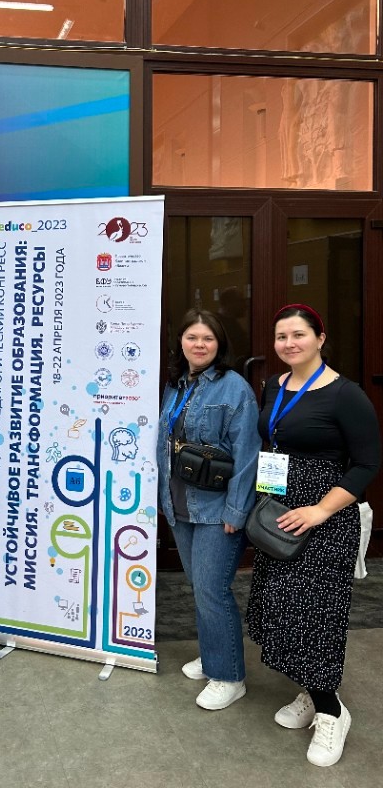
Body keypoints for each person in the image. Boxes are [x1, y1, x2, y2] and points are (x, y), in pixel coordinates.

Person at [247, 304, 380, 767]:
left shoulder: (346, 395)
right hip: (279, 513)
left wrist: (320, 510)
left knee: (317, 616)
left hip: (323, 519)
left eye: (298, 334)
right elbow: (274, 445)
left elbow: (367, 463)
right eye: (281, 336)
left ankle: (331, 712)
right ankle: (310, 689)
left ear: (320, 338)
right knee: (283, 609)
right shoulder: (274, 385)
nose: (289, 343)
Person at [157, 309, 259, 710]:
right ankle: (215, 653)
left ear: (220, 344)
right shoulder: (176, 384)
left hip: (217, 509)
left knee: (213, 590)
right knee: (200, 587)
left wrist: (236, 510)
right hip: (180, 504)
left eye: (208, 338)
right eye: (192, 337)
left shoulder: (235, 389)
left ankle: (229, 676)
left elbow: (248, 455)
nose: (199, 345)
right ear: (180, 342)